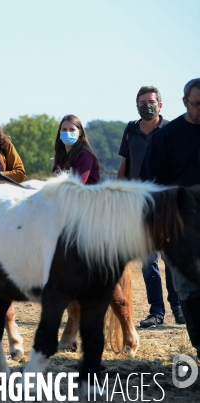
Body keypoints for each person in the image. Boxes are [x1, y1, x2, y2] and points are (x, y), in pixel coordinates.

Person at [140, 78, 200, 355]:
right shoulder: (168, 137)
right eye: (198, 104)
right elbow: (152, 184)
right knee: (189, 289)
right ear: (185, 102)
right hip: (182, 228)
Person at [117, 86, 184, 328]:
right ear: (137, 106)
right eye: (143, 102)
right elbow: (124, 166)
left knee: (171, 260)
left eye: (151, 101)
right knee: (148, 262)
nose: (147, 105)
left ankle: (178, 308)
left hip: (166, 204)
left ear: (161, 105)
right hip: (138, 203)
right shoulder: (130, 130)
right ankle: (156, 312)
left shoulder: (170, 130)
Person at [52, 114, 100, 184]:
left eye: (72, 129)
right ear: (60, 132)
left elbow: (78, 184)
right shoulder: (62, 157)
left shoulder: (85, 156)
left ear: (80, 132)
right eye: (64, 129)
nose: (68, 133)